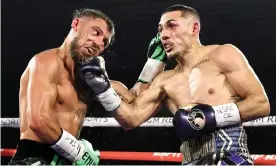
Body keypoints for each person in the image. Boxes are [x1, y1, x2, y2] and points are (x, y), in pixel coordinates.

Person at [78, 4, 271, 165]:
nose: (164, 35)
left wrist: (210, 118)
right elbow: (131, 118)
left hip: (228, 154)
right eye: (161, 30)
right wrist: (102, 88)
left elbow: (261, 104)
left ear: (194, 28)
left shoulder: (223, 54)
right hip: (191, 160)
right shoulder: (164, 80)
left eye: (172, 26)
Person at [8, 8, 116, 165]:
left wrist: (152, 67)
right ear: (76, 24)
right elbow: (38, 121)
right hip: (33, 159)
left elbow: (131, 108)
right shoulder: (46, 62)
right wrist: (79, 154)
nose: (99, 43)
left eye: (105, 42)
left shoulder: (89, 81)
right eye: (95, 33)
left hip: (65, 160)